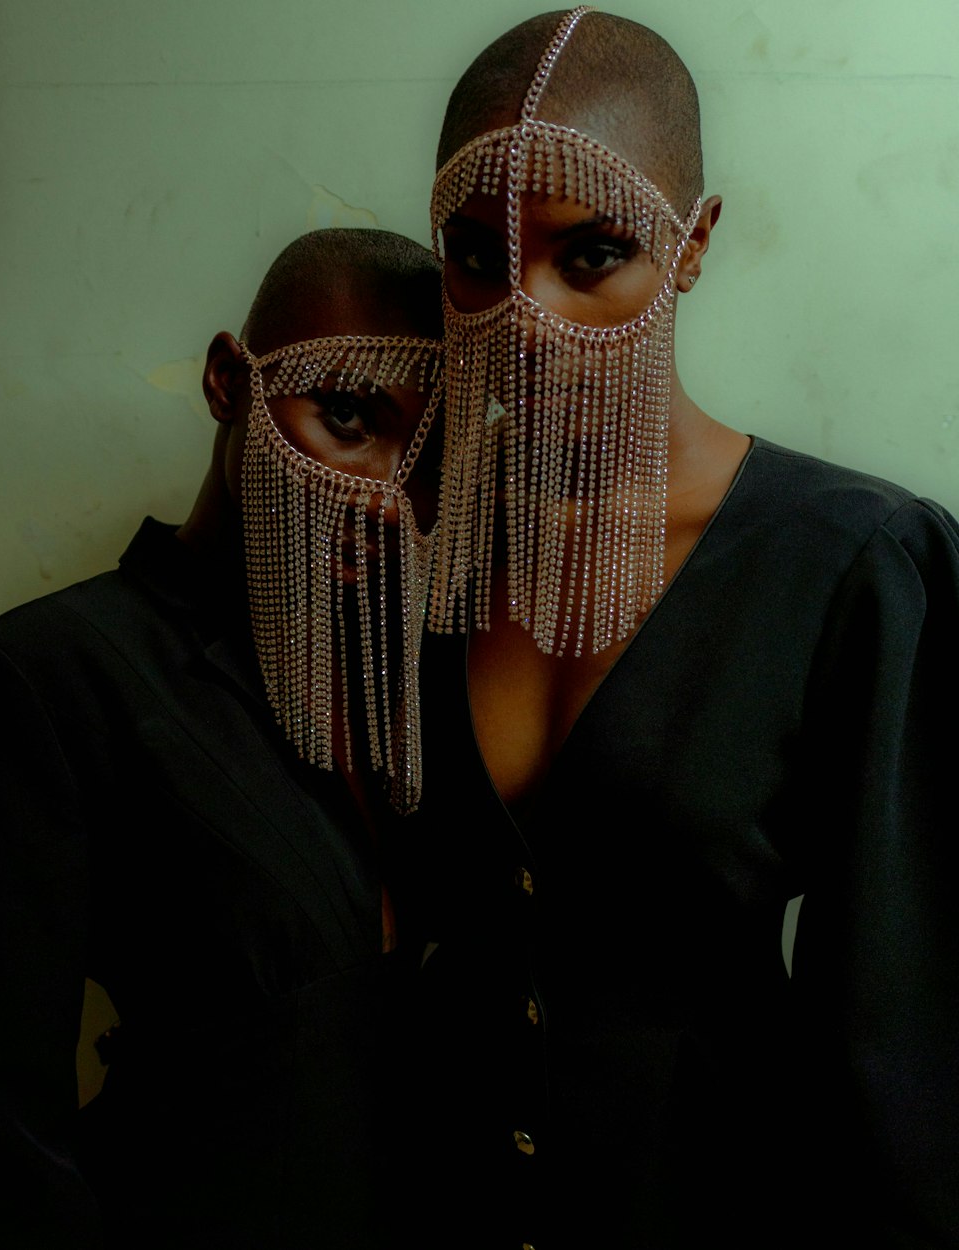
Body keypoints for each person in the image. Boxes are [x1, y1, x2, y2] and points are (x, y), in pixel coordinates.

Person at [401, 9, 959, 1247]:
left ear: (692, 242)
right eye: (479, 259)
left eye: (590, 253)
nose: (527, 313)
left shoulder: (853, 564)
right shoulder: (406, 550)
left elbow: (902, 1025)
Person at [0, 227, 443, 1248]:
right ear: (229, 379)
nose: (383, 493)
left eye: (431, 454)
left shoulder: (439, 688)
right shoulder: (46, 678)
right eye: (347, 414)